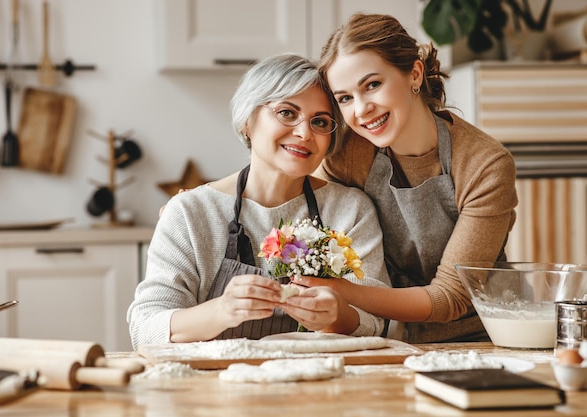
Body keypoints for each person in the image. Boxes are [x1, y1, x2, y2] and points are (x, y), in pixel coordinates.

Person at [127, 53, 390, 348]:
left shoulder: (350, 210)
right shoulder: (190, 213)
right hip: (213, 389)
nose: (304, 133)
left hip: (318, 386)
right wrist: (222, 311)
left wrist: (337, 317)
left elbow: (379, 323)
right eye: (287, 113)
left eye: (320, 121)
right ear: (247, 122)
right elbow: (145, 329)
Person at [292, 13, 518, 343]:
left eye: (372, 85)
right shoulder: (350, 155)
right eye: (345, 98)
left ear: (414, 74)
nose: (361, 109)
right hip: (383, 336)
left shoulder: (484, 164)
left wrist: (338, 290)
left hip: (478, 339)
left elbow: (449, 298)